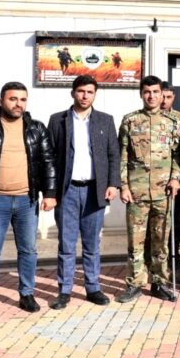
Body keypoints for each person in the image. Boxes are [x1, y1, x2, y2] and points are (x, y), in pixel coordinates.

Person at [0, 82, 57, 320]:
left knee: (29, 250)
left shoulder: (36, 128)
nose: (18, 104)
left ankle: (26, 294)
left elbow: (48, 162)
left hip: (26, 200)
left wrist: (50, 194)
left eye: (22, 99)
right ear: (2, 100)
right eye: (13, 99)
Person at [47, 75, 120, 310]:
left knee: (91, 244)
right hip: (67, 191)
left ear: (95, 94)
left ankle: (93, 287)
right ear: (73, 93)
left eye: (90, 92)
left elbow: (113, 155)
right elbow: (49, 158)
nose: (85, 95)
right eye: (81, 91)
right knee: (66, 245)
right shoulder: (57, 120)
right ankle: (64, 291)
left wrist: (113, 183)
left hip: (94, 190)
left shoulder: (105, 120)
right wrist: (49, 191)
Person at [117, 75, 180, 303]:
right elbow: (122, 157)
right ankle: (135, 283)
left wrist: (175, 178)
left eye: (156, 92)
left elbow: (178, 157)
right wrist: (123, 186)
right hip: (136, 193)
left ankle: (159, 283)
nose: (152, 96)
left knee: (161, 240)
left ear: (162, 94)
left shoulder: (173, 122)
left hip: (163, 192)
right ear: (141, 94)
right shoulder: (130, 121)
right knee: (135, 241)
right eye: (147, 92)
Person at [158, 81, 180, 285]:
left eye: (168, 97)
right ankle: (154, 266)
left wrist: (176, 177)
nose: (164, 101)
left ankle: (176, 265)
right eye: (162, 96)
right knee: (155, 227)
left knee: (174, 225)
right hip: (151, 182)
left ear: (173, 98)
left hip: (176, 181)